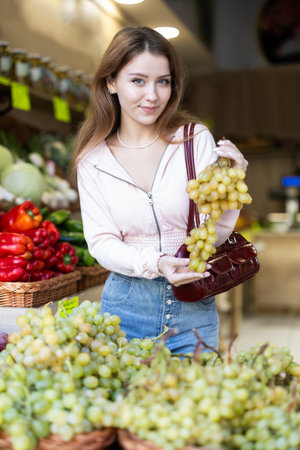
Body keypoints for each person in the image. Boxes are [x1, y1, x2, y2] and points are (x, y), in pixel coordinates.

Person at [72, 26, 248, 354]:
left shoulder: (194, 140)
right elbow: (101, 242)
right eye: (138, 80)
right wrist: (156, 262)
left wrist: (234, 184)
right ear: (111, 82)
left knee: (196, 404)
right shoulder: (93, 160)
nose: (152, 95)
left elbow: (215, 231)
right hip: (124, 309)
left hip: (194, 307)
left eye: (162, 81)